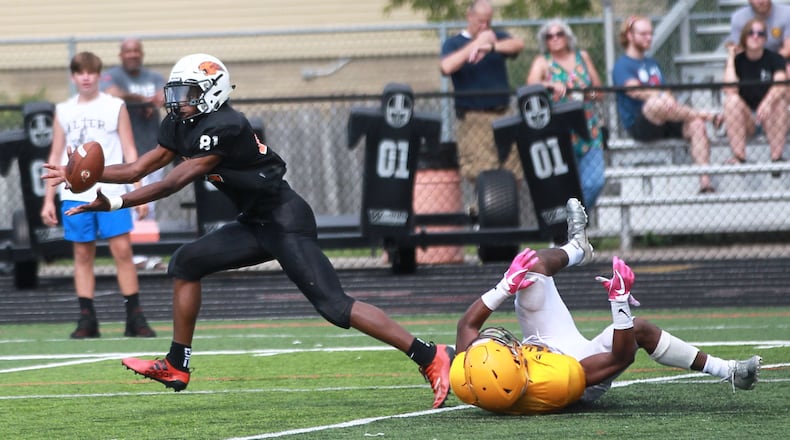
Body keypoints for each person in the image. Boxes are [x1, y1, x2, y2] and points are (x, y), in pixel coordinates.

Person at [43, 53, 454, 409]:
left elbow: (171, 183)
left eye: (188, 93)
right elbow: (138, 168)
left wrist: (112, 201)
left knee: (334, 306)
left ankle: (429, 354)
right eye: (177, 92)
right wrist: (79, 174)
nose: (178, 102)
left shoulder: (227, 125)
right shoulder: (181, 124)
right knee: (186, 262)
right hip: (254, 221)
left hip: (285, 220)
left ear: (212, 92)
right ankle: (176, 363)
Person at [450, 198, 762, 414]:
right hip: (573, 364)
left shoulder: (469, 377)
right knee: (638, 330)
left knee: (529, 269)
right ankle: (729, 371)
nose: (507, 343)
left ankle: (577, 247)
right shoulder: (560, 381)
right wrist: (620, 302)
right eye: (508, 350)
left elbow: (466, 326)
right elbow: (621, 355)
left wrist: (507, 284)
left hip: (544, 349)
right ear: (518, 366)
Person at [40, 51, 156, 339]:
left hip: (111, 189)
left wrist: (138, 190)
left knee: (123, 252)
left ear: (99, 75)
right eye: (80, 72)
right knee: (82, 254)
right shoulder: (64, 110)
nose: (86, 77)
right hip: (74, 193)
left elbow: (130, 150)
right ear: (73, 77)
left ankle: (134, 317)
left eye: (91, 71)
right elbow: (55, 154)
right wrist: (47, 199)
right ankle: (86, 319)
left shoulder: (114, 106)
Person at [612, 15, 719, 194]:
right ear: (630, 36)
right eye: (643, 34)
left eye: (651, 34)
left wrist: (666, 97)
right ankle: (707, 115)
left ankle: (705, 182)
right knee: (654, 103)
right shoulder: (622, 65)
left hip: (666, 118)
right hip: (642, 124)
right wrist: (661, 96)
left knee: (696, 125)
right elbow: (634, 91)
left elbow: (667, 92)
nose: (649, 38)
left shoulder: (652, 63)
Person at [440, 0, 525, 182]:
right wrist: (477, 43)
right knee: (483, 176)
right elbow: (446, 67)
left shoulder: (497, 37)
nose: (485, 26)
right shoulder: (454, 43)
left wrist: (492, 46)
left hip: (503, 115)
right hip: (474, 119)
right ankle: (479, 210)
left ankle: (506, 210)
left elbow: (518, 44)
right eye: (480, 21)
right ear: (469, 17)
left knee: (513, 173)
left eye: (488, 21)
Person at [101, 38, 166, 270]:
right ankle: (135, 254)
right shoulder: (113, 76)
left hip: (153, 148)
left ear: (142, 53)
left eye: (136, 51)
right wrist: (142, 100)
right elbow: (112, 93)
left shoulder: (154, 77)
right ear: (121, 55)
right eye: (128, 51)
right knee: (131, 203)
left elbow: (165, 95)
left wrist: (157, 99)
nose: (132, 55)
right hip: (125, 153)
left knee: (152, 203)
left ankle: (150, 254)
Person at [526, 19, 605, 207]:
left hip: (588, 129)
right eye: (549, 36)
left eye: (559, 34)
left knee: (594, 182)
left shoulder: (582, 57)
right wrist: (550, 85)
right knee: (565, 187)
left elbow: (599, 93)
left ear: (567, 37)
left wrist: (586, 93)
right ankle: (570, 228)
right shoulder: (543, 62)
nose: (554, 38)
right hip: (559, 132)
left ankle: (571, 223)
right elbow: (529, 87)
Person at [722, 19, 788, 167]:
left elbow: (781, 84)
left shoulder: (775, 59)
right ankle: (739, 157)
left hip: (770, 117)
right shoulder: (737, 61)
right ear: (744, 37)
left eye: (760, 33)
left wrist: (766, 103)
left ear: (765, 39)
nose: (755, 36)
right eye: (751, 33)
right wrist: (731, 56)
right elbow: (730, 89)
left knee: (779, 101)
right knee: (731, 101)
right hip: (747, 119)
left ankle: (776, 158)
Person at [726, 0, 790, 64]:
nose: (761, 1)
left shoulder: (787, 14)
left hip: (781, 62)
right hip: (750, 63)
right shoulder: (738, 17)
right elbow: (739, 50)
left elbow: (787, 49)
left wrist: (767, 64)